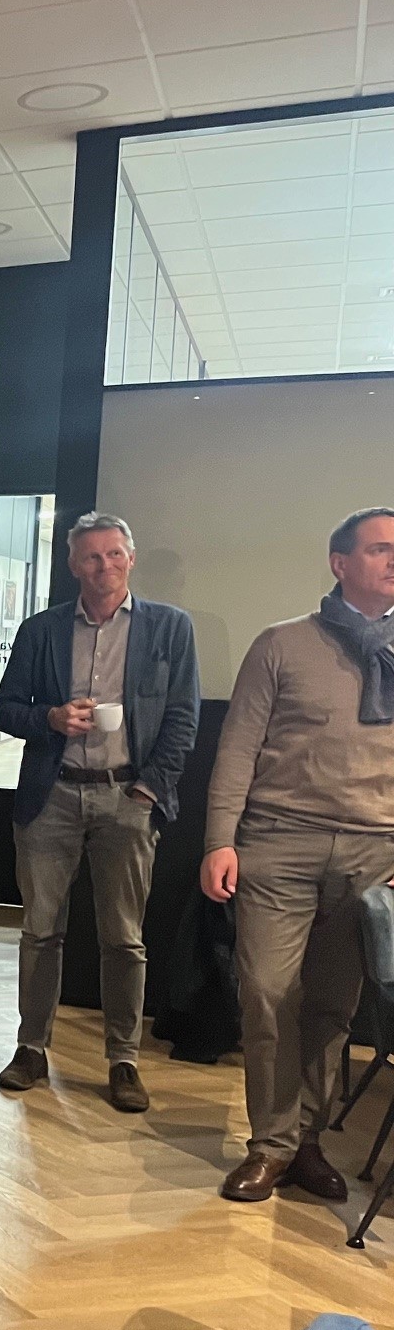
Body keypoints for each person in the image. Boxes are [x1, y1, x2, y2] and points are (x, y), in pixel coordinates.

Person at [202, 506, 394, 1205]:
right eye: (379, 549)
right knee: (266, 994)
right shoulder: (282, 643)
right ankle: (271, 1145)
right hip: (278, 842)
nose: (393, 560)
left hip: (375, 852)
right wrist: (220, 840)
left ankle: (305, 1141)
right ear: (340, 563)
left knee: (333, 1007)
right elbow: (237, 749)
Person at [0, 513, 199, 1114]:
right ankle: (31, 1048)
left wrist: (151, 789)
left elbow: (183, 717)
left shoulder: (170, 627)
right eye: (90, 556)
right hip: (50, 796)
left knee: (124, 938)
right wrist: (50, 718)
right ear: (72, 564)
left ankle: (123, 1059)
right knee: (39, 931)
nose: (102, 565)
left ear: (130, 558)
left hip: (128, 797)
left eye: (113, 554)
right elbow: (5, 709)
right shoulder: (41, 630)